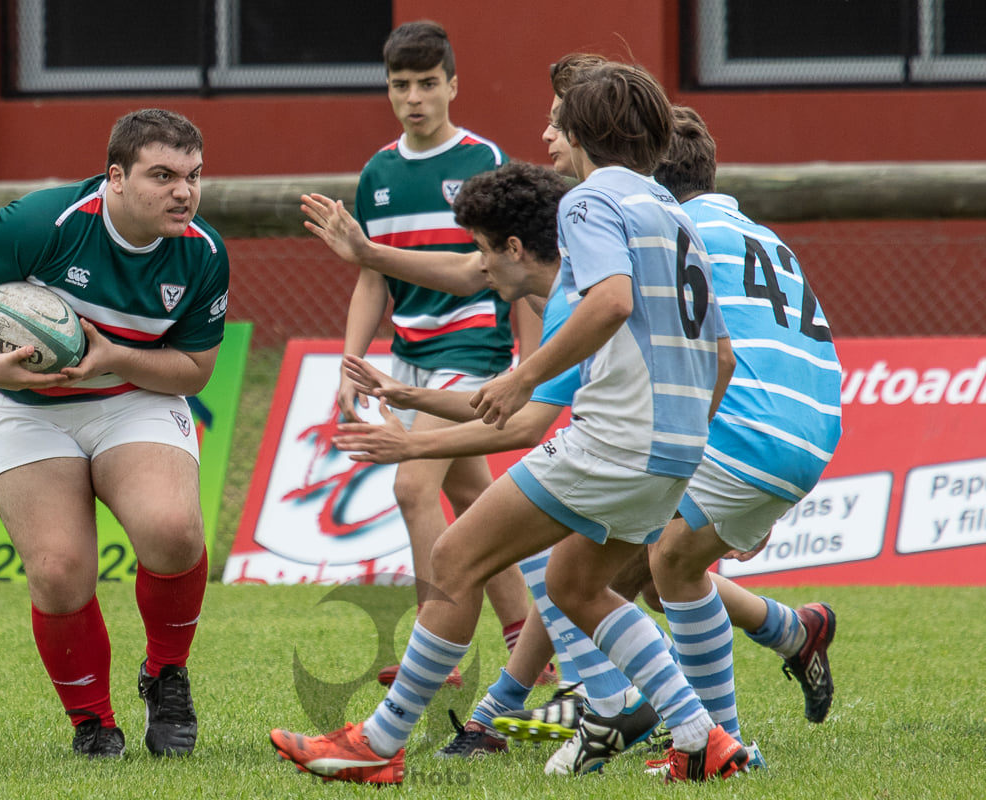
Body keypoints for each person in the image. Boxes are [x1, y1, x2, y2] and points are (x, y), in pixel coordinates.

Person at [272, 61, 748, 785]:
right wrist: (678, 439)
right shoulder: (676, 213)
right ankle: (703, 739)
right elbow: (722, 356)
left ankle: (379, 743)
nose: (547, 133)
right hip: (674, 447)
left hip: (616, 438)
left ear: (587, 133)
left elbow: (612, 302)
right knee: (574, 584)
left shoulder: (588, 204)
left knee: (454, 559)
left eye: (559, 119)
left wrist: (525, 375)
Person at [0, 109, 228, 759]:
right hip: (22, 406)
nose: (184, 192)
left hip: (131, 398)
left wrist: (114, 356)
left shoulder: (201, 253)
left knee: (173, 531)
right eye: (163, 175)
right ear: (116, 177)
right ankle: (93, 721)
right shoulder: (45, 220)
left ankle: (166, 673)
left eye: (194, 176)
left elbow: (195, 371)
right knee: (60, 571)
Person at [339, 20, 534, 686]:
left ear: (453, 84)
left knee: (409, 481)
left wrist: (527, 359)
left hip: (473, 346)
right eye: (401, 86)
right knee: (475, 503)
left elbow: (503, 269)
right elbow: (370, 275)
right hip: (410, 354)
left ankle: (434, 650)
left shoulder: (483, 160)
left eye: (427, 83)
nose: (414, 97)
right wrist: (351, 359)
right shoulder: (378, 173)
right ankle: (527, 649)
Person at [644, 105, 842, 750]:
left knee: (618, 565)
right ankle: (790, 630)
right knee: (654, 570)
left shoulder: (673, 231)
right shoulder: (756, 231)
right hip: (805, 429)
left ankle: (702, 739)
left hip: (747, 430)